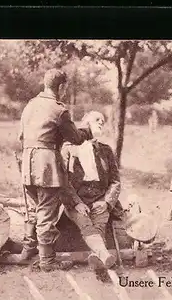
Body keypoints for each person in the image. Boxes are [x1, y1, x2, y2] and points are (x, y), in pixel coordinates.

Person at [17, 69, 93, 272]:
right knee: (46, 213)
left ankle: (29, 249)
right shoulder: (59, 109)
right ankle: (47, 261)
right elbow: (75, 138)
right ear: (61, 87)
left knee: (35, 209)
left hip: (27, 165)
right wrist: (87, 130)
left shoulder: (30, 105)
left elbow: (22, 136)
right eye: (65, 87)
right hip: (46, 167)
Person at [60, 111, 120, 274]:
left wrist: (106, 202)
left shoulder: (106, 150)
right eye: (97, 119)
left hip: (99, 196)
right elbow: (63, 181)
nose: (101, 122)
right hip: (75, 197)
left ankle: (98, 255)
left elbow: (115, 181)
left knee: (100, 221)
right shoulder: (69, 149)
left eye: (103, 120)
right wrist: (77, 202)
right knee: (84, 222)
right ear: (85, 123)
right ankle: (103, 254)